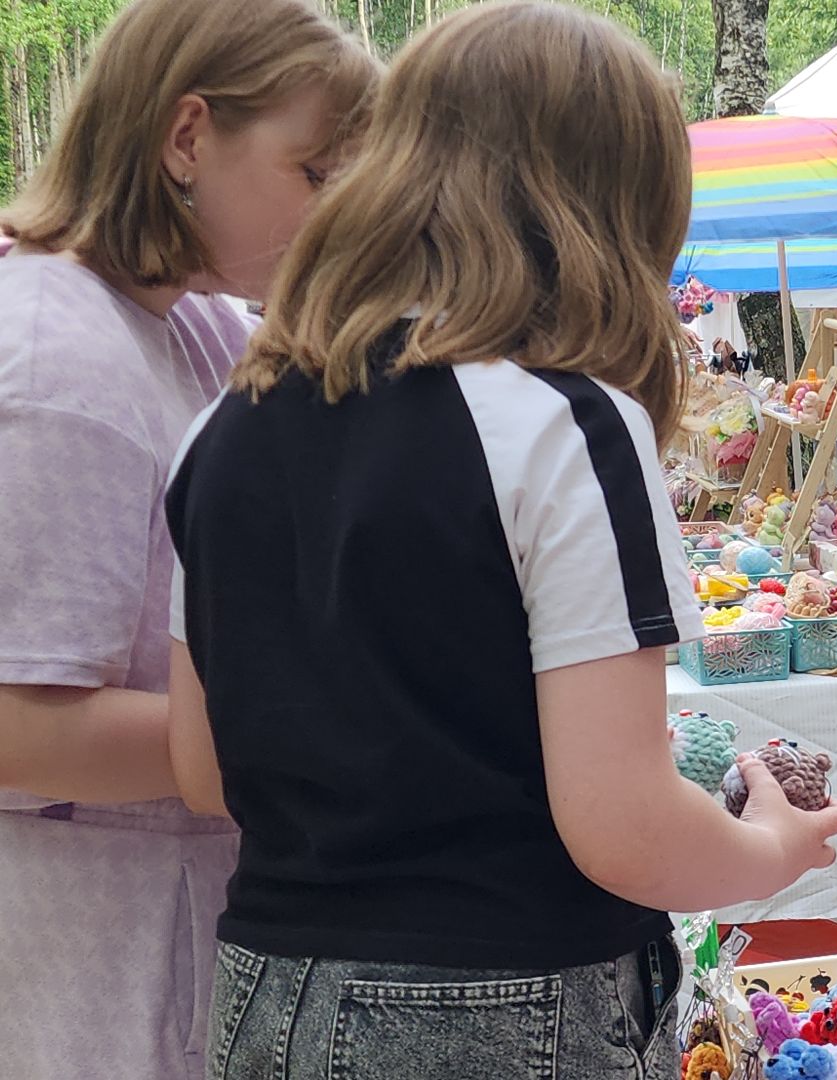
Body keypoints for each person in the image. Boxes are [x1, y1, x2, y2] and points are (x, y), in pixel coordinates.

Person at [163, 5, 837, 1076]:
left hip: (264, 991)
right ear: (620, 208)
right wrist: (770, 850)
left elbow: (206, 770)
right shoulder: (563, 422)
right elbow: (622, 826)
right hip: (499, 1004)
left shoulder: (220, 429)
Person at [0, 3, 376, 1077]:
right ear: (186, 138)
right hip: (89, 965)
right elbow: (16, 723)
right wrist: (310, 741)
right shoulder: (50, 359)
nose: (335, 209)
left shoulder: (199, 325)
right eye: (315, 172)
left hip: (176, 925)